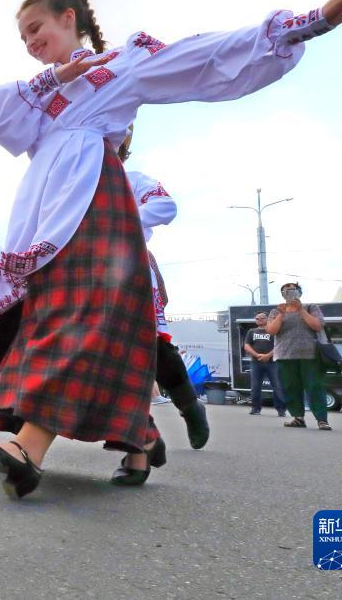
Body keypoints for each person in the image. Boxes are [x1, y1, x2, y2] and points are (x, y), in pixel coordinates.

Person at [0, 0, 342, 499]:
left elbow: (201, 57)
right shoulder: (43, 92)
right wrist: (55, 76)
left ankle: (28, 448)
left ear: (69, 18)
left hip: (92, 196)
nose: (30, 42)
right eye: (22, 36)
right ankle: (140, 438)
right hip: (44, 207)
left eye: (36, 28)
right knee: (61, 316)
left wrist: (311, 21)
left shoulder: (121, 63)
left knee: (75, 313)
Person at [121, 135, 209, 448]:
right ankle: (144, 439)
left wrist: (117, 220)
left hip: (128, 263)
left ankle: (190, 406)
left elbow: (165, 206)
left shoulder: (132, 180)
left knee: (153, 345)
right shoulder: (76, 182)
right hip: (85, 267)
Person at [266, 283, 330, 430]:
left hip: (310, 354)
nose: (289, 292)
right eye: (286, 290)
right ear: (283, 294)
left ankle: (322, 419)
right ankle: (298, 417)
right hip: (284, 355)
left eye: (292, 289)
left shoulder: (311, 307)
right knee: (290, 388)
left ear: (299, 293)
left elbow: (317, 326)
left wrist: (300, 309)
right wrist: (281, 314)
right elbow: (271, 331)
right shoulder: (276, 311)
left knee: (315, 387)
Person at [243, 312, 287, 417]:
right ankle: (255, 408)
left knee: (277, 386)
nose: (259, 319)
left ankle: (281, 409)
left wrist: (268, 355)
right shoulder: (251, 331)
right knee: (255, 386)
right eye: (257, 318)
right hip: (256, 362)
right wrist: (257, 355)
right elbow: (246, 345)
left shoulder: (274, 331)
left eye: (262, 318)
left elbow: (279, 345)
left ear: (267, 319)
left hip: (273, 363)